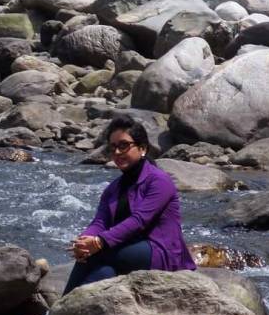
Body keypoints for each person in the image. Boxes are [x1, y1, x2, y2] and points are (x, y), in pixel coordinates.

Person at [63, 115, 195, 294]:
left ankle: (58, 306)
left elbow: (139, 220)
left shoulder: (159, 180)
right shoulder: (113, 188)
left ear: (142, 148)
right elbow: (100, 222)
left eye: (124, 145)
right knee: (103, 271)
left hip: (158, 251)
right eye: (113, 147)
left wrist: (99, 242)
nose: (117, 152)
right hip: (125, 250)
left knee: (97, 254)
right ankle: (68, 308)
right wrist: (84, 240)